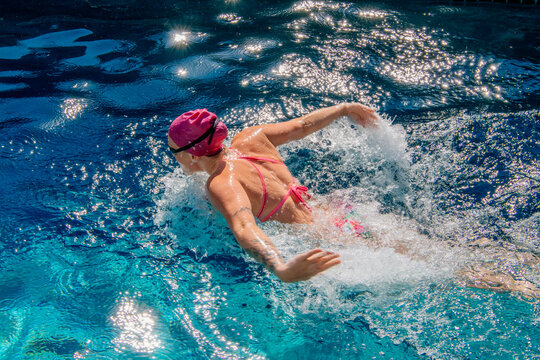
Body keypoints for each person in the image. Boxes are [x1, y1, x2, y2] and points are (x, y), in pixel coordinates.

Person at [168, 103, 379, 282]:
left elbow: (244, 226)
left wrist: (280, 268)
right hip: (341, 216)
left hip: (326, 242)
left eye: (173, 151)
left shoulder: (221, 183)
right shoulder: (251, 137)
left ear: (192, 155)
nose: (174, 158)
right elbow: (303, 125)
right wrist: (344, 108)